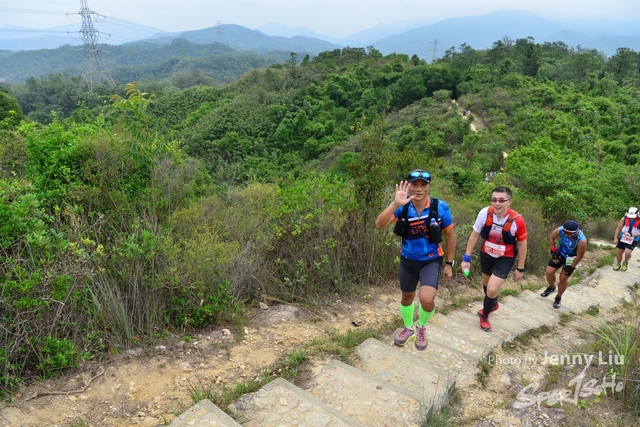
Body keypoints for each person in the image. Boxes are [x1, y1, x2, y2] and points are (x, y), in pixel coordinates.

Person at [375, 169, 456, 351]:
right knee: (407, 296)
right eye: (415, 184)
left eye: (423, 185)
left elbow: (450, 235)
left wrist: (449, 264)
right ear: (409, 186)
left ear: (429, 186)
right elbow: (379, 224)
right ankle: (408, 328)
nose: (419, 189)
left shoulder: (440, 207)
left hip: (431, 259)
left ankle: (421, 327)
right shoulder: (402, 206)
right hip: (408, 259)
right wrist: (395, 204)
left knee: (426, 299)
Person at [460, 187, 527, 332]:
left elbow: (522, 244)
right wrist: (466, 258)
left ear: (509, 202)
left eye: (502, 200)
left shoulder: (517, 220)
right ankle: (493, 304)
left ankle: (485, 315)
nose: (497, 203)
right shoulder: (485, 213)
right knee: (486, 284)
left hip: (505, 257)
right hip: (487, 254)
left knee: (492, 288)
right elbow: (475, 235)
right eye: (494, 200)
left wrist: (520, 268)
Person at [540, 220, 587, 308]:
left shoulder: (581, 240)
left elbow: (579, 256)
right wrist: (553, 252)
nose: (566, 234)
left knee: (563, 278)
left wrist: (571, 267)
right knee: (549, 272)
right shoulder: (560, 230)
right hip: (560, 253)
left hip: (571, 259)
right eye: (565, 231)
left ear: (575, 232)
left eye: (569, 233)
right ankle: (551, 287)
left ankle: (558, 297)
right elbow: (552, 237)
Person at [613, 207, 640, 271]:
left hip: (634, 239)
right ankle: (618, 264)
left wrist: (632, 235)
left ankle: (625, 262)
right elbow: (618, 228)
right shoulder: (623, 219)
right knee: (620, 251)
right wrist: (615, 238)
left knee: (627, 252)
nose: (631, 218)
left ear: (637, 214)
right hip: (623, 237)